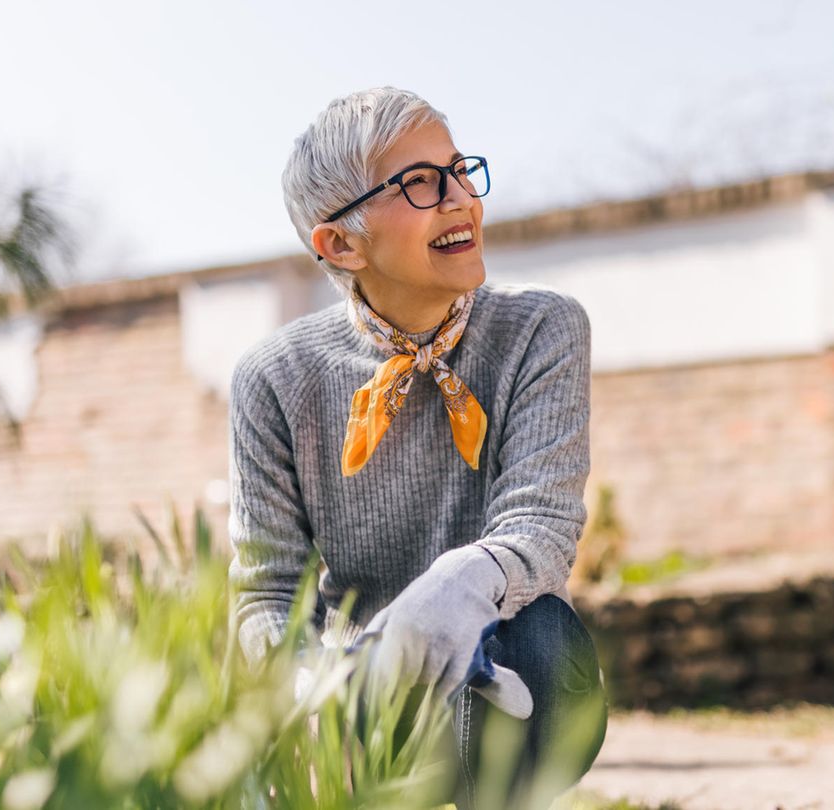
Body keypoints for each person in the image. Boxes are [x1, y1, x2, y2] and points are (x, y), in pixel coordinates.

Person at [227, 85, 607, 808]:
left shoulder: (542, 329)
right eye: (421, 184)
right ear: (341, 241)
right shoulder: (273, 378)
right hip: (359, 696)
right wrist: (315, 683)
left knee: (542, 639)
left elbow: (541, 526)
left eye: (461, 172)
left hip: (503, 671)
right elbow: (268, 591)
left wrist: (459, 587)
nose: (461, 198)